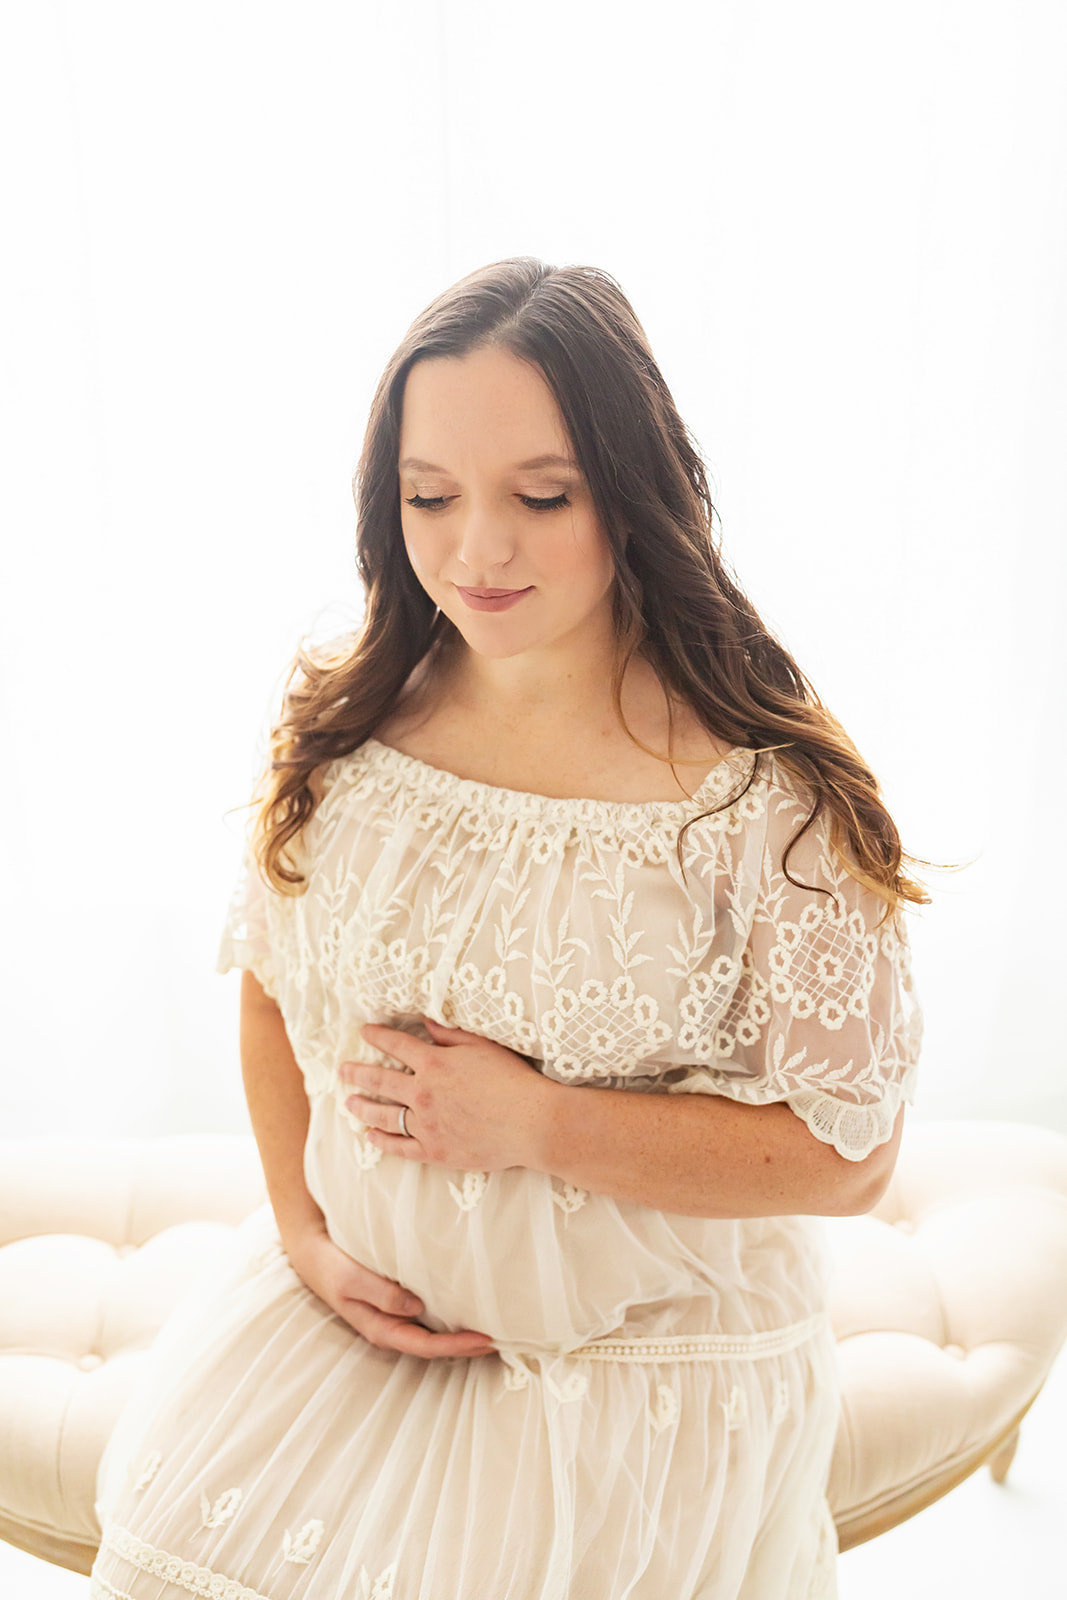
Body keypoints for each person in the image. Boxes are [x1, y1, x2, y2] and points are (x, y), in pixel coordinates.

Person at [90, 256, 924, 1600]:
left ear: (633, 491)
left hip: (633, 1392)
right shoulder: (352, 724)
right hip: (350, 1330)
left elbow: (851, 1156)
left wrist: (538, 1123)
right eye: (432, 497)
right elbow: (270, 985)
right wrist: (304, 1235)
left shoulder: (755, 796)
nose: (478, 551)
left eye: (542, 497)